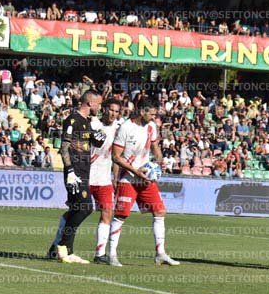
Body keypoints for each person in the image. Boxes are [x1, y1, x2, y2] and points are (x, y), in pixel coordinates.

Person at [108, 99, 179, 266]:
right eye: (152, 114)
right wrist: (135, 171)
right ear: (142, 112)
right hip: (128, 178)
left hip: (145, 178)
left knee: (160, 211)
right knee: (121, 215)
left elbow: (155, 147)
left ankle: (160, 253)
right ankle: (111, 255)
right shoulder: (125, 128)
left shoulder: (151, 126)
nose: (154, 117)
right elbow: (116, 157)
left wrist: (160, 161)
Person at [46, 90, 106, 264]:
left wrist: (98, 137)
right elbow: (64, 148)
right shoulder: (72, 120)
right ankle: (63, 246)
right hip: (75, 172)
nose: (100, 107)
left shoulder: (87, 122)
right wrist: (70, 171)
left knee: (75, 209)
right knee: (85, 208)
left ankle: (61, 250)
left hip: (84, 172)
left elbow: (92, 143)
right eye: (98, 104)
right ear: (90, 103)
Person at [90, 98, 123, 265]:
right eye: (111, 110)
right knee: (76, 212)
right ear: (104, 109)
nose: (113, 114)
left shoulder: (119, 129)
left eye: (116, 112)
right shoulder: (93, 124)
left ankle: (100, 253)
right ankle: (58, 244)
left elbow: (116, 157)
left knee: (107, 212)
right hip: (86, 175)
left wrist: (115, 178)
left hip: (104, 179)